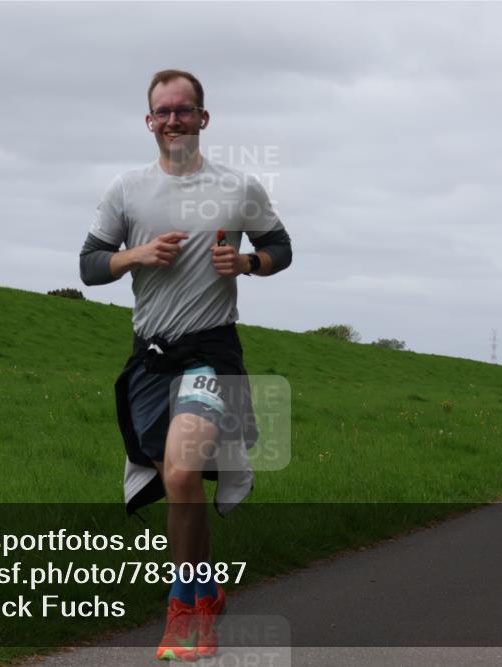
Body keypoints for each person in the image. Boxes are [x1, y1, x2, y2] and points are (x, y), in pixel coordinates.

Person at [79, 69, 292, 661]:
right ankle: (205, 588)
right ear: (149, 121)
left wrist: (247, 264)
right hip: (150, 356)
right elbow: (89, 265)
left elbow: (283, 249)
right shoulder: (126, 190)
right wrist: (136, 255)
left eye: (184, 109)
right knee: (174, 479)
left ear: (204, 117)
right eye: (162, 111)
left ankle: (183, 610)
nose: (173, 119)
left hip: (209, 352)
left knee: (178, 473)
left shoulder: (238, 187)